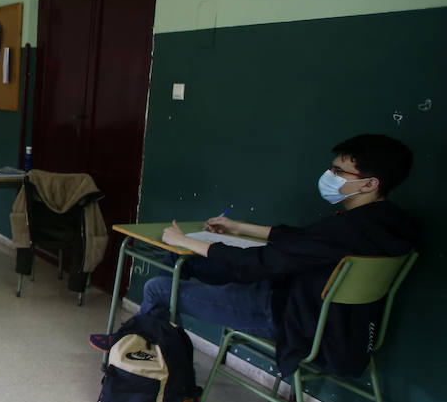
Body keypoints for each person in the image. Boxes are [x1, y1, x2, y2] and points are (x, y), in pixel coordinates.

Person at [93, 134, 415, 378]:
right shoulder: (387, 223)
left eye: (339, 171)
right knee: (183, 265)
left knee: (159, 288)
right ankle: (145, 342)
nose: (330, 175)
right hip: (328, 322)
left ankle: (135, 352)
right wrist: (238, 227)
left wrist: (187, 240)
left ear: (370, 183)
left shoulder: (348, 229)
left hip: (286, 318)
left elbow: (255, 266)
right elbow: (305, 241)